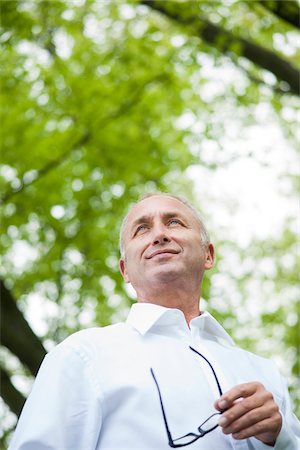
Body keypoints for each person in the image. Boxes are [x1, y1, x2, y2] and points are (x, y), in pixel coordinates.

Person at [8, 192, 300, 450]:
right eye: (142, 229)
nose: (159, 235)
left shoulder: (265, 372)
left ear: (208, 255)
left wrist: (280, 437)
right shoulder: (81, 355)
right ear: (125, 270)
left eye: (174, 222)